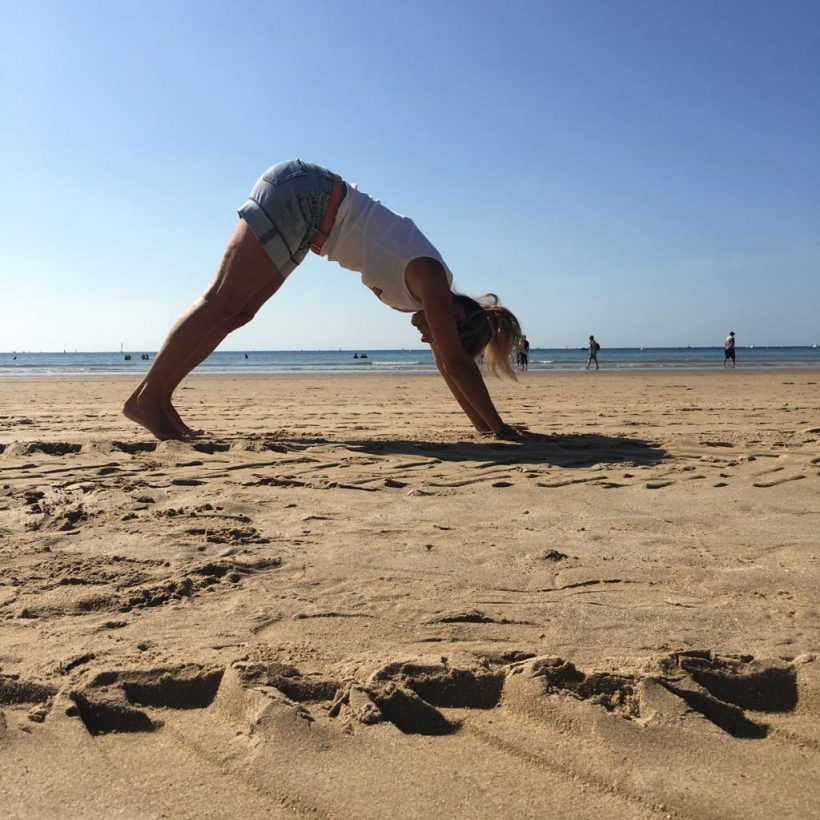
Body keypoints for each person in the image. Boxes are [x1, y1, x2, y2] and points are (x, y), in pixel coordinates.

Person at [124, 159, 525, 441]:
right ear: (453, 318)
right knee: (223, 300)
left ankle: (156, 398)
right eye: (439, 336)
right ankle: (150, 398)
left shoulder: (427, 298)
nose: (428, 341)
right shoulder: (433, 280)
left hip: (312, 223)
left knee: (239, 311)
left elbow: (447, 364)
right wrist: (502, 430)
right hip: (306, 196)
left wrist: (486, 428)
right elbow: (454, 361)